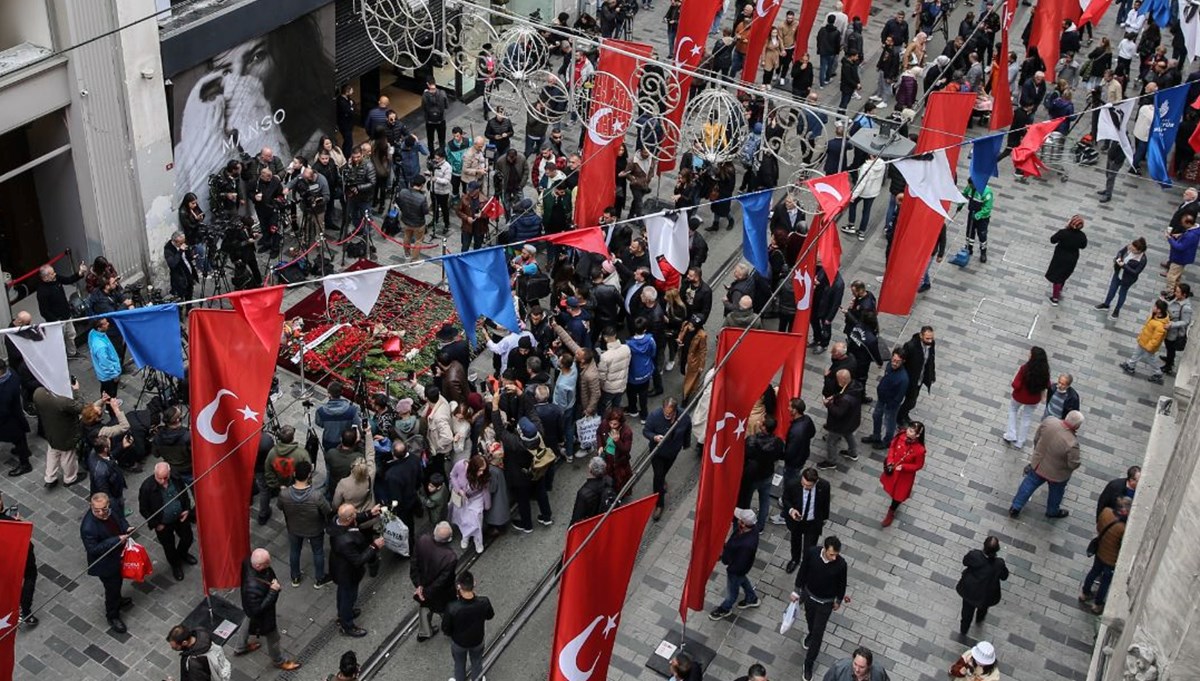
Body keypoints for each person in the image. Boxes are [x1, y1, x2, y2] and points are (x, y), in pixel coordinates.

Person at [232, 548, 302, 670]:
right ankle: (278, 661)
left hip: (248, 606)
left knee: (248, 620)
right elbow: (258, 610)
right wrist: (273, 591)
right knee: (273, 638)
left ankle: (240, 647)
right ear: (258, 566)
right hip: (262, 615)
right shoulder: (253, 588)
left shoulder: (248, 561)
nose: (269, 565)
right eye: (267, 563)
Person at [790, 536, 848, 681]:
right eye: (831, 554)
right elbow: (803, 571)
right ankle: (810, 633)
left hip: (826, 603)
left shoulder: (841, 564)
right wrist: (797, 590)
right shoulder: (812, 553)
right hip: (810, 596)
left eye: (836, 554)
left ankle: (808, 664)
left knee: (818, 633)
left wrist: (839, 600)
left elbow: (842, 583)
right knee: (810, 620)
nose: (834, 557)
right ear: (824, 549)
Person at [1009, 411, 1084, 519]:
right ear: (1077, 426)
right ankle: (1052, 511)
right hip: (1057, 474)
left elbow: (1036, 438)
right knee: (1056, 492)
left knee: (1028, 484)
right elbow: (1073, 464)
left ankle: (1016, 507)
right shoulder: (1072, 443)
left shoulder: (1049, 421)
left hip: (1039, 464)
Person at [329, 503, 385, 637]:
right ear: (348, 519)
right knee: (348, 597)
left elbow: (354, 518)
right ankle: (347, 625)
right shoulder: (344, 541)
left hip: (341, 569)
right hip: (347, 573)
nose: (356, 515)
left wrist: (370, 513)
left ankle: (343, 614)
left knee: (343, 594)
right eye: (354, 513)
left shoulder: (338, 521)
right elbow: (358, 560)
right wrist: (374, 547)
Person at [80, 492, 131, 632]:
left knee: (118, 583)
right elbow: (93, 549)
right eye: (96, 510)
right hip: (106, 563)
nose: (101, 513)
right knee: (112, 589)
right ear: (91, 507)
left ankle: (118, 599)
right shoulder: (88, 527)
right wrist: (116, 540)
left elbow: (120, 519)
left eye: (103, 509)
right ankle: (112, 615)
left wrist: (127, 527)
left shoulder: (113, 506)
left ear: (108, 504)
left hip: (118, 554)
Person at [277, 460, 331, 588]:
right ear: (309, 476)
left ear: (294, 474)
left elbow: (279, 506)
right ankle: (319, 578)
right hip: (315, 529)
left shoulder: (284, 494)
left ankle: (295, 577)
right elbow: (327, 510)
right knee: (318, 552)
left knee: (295, 551)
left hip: (294, 528)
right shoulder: (316, 496)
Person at [137, 462, 195, 582]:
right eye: (160, 478)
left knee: (187, 538)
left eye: (165, 477)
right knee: (169, 547)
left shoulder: (175, 478)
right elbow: (144, 509)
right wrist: (156, 524)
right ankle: (176, 565)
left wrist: (186, 509)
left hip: (180, 517)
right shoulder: (147, 487)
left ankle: (182, 554)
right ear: (155, 474)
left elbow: (184, 494)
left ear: (169, 473)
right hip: (163, 524)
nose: (163, 481)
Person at [643, 398, 692, 520]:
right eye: (665, 413)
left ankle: (661, 481)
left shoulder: (684, 416)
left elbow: (687, 430)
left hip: (673, 451)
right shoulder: (654, 416)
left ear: (675, 410)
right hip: (658, 452)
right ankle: (659, 504)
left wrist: (686, 444)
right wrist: (654, 437)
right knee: (658, 476)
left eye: (670, 413)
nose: (667, 415)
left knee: (663, 472)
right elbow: (646, 431)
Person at [1080, 497, 1130, 614]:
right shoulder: (1123, 528)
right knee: (1105, 581)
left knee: (1093, 572)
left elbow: (1099, 527)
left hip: (1100, 551)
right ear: (1124, 511)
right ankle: (1097, 604)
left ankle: (1084, 593)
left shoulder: (1106, 512)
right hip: (1111, 560)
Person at [709, 508, 761, 620]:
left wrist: (727, 562)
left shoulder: (747, 545)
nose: (737, 520)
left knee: (732, 593)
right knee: (742, 579)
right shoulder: (750, 530)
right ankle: (751, 598)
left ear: (743, 523)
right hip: (740, 569)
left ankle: (725, 609)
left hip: (736, 570)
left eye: (740, 519)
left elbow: (739, 562)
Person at [443, 570, 494, 681]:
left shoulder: (452, 607)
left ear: (459, 586)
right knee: (477, 662)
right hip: (477, 640)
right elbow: (490, 615)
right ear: (474, 583)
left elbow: (446, 629)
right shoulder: (484, 602)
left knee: (459, 664)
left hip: (459, 643)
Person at [411, 521, 458, 642]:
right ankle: (450, 629)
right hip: (441, 593)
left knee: (424, 608)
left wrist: (419, 586)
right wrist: (426, 592)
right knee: (446, 610)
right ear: (449, 539)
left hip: (423, 586)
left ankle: (425, 632)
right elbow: (442, 581)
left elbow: (414, 564)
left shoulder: (423, 540)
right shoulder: (450, 557)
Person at [955, 536, 1009, 638]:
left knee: (967, 613)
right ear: (997, 549)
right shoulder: (999, 564)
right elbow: (1004, 576)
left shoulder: (974, 555)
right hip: (987, 594)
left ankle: (964, 630)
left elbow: (965, 562)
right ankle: (979, 619)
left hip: (969, 591)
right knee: (983, 608)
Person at [781, 467, 831, 573]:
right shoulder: (792, 484)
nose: (804, 487)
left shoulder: (824, 486)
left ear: (816, 482)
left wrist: (825, 518)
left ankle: (806, 564)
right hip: (797, 520)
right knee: (795, 541)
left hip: (812, 522)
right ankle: (795, 560)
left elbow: (826, 503)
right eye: (803, 483)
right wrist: (791, 510)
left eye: (808, 486)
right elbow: (785, 499)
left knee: (810, 547)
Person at [879, 422, 926, 527]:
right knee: (891, 489)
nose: (907, 431)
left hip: (905, 476)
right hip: (894, 469)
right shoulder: (901, 435)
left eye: (911, 431)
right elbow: (892, 447)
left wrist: (905, 467)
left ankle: (891, 512)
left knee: (898, 496)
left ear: (917, 435)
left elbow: (918, 465)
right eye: (909, 428)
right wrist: (890, 461)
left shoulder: (920, 450)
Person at [0, 494, 37, 627]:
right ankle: (25, 611)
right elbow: (21, 536)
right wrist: (18, 522)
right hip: (19, 553)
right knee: (30, 576)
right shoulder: (8, 520)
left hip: (4, 560)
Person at [1004, 347, 1050, 449]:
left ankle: (1011, 434)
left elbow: (1016, 384)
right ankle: (1020, 442)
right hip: (1034, 399)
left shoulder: (1025, 368)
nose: (1028, 354)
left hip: (1019, 396)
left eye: (1030, 353)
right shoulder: (1044, 370)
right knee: (1027, 417)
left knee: (1013, 410)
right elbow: (1047, 384)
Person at [862, 350, 908, 450]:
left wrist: (890, 405)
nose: (894, 363)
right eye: (893, 360)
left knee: (889, 422)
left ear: (903, 361)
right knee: (876, 416)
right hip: (882, 399)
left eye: (898, 361)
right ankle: (876, 436)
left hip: (890, 404)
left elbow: (899, 397)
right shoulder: (889, 366)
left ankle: (887, 441)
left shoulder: (903, 379)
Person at [816, 370, 862, 469]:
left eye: (838, 379)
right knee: (848, 434)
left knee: (831, 441)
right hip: (851, 420)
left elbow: (838, 413)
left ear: (843, 380)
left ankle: (831, 461)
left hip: (840, 425)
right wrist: (834, 396)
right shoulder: (855, 386)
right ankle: (853, 453)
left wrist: (828, 404)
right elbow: (842, 393)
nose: (837, 381)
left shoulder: (845, 400)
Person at [1095, 237, 1148, 318]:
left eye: (1133, 249)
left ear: (1139, 251)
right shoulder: (1129, 247)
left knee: (1122, 293)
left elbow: (1136, 272)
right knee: (1112, 290)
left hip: (1128, 279)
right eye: (1131, 247)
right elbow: (1120, 252)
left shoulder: (1142, 259)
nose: (1131, 249)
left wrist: (1124, 266)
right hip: (1118, 273)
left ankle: (1116, 310)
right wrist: (1118, 258)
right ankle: (1106, 305)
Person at [1120, 299, 1169, 384]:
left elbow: (1156, 340)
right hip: (1143, 340)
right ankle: (1131, 366)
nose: (1153, 307)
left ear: (1159, 310)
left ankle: (1158, 373)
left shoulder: (1160, 325)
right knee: (1137, 353)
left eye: (1155, 306)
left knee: (1149, 358)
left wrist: (1149, 348)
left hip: (1148, 345)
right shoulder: (1154, 316)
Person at [450, 455, 491, 554]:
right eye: (479, 470)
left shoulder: (483, 476)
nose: (481, 473)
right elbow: (452, 475)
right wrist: (459, 490)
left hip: (477, 498)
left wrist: (487, 504)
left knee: (477, 520)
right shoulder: (460, 465)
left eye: (483, 470)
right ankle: (466, 536)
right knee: (464, 519)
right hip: (462, 498)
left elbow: (485, 490)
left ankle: (478, 541)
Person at [1045, 215, 1088, 306]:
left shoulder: (1063, 232)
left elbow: (1052, 240)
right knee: (1064, 274)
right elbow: (1083, 246)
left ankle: (1055, 298)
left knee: (1057, 277)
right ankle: (1059, 289)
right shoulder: (1082, 236)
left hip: (1060, 257)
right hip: (1073, 258)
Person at [0, 358, 32, 477]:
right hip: (15, 415)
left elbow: (3, 408)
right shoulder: (11, 373)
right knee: (20, 438)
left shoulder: (5, 388)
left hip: (9, 419)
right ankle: (23, 451)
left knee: (18, 439)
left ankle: (25, 464)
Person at [897, 327, 936, 425]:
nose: (930, 341)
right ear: (921, 335)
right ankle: (899, 418)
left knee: (912, 401)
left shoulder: (931, 344)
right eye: (927, 338)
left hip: (920, 379)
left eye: (931, 338)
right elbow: (902, 362)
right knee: (910, 401)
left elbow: (931, 359)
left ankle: (904, 415)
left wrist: (932, 374)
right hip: (909, 379)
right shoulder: (911, 346)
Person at [316, 382, 360, 455]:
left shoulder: (321, 411)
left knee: (329, 459)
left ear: (329, 394)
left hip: (328, 441)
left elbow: (320, 424)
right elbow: (357, 424)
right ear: (341, 392)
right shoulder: (352, 410)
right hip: (345, 443)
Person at [1161, 283, 1193, 376]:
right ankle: (1169, 359)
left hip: (1174, 333)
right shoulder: (1177, 298)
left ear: (1184, 295)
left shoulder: (1186, 307)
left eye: (1178, 292)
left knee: (1171, 349)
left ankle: (1168, 366)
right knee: (1169, 347)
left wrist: (1172, 324)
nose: (1175, 293)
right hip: (1169, 329)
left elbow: (1185, 322)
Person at [1164, 213, 1200, 296]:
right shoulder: (1195, 230)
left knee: (1171, 276)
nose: (1182, 225)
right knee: (1177, 275)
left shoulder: (1191, 235)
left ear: (1188, 223)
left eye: (1183, 223)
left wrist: (1170, 239)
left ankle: (1170, 293)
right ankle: (1177, 290)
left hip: (1179, 258)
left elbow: (1180, 247)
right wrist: (1181, 235)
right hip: (1185, 257)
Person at [88, 319, 122, 400]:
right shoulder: (101, 347)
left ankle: (106, 403)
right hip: (108, 376)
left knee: (105, 391)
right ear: (99, 328)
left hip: (102, 374)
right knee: (111, 393)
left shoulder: (93, 333)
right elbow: (105, 364)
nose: (108, 323)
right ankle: (111, 409)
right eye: (105, 323)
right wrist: (115, 375)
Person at [822, 647, 888, 681]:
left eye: (861, 667)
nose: (857, 669)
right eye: (855, 664)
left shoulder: (879, 672)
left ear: (869, 666)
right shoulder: (839, 668)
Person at [164, 231, 197, 300]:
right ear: (174, 242)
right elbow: (173, 264)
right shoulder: (168, 249)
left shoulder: (183, 243)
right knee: (180, 297)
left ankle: (189, 307)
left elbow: (187, 256)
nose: (183, 244)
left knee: (189, 293)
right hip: (179, 278)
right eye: (180, 243)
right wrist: (180, 251)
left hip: (188, 274)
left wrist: (191, 256)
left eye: (183, 242)